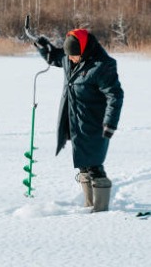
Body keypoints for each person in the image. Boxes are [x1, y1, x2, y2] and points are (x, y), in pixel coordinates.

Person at [34, 28, 124, 212]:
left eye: (75, 56)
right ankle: (88, 204)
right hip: (74, 121)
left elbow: (115, 95)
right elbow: (54, 58)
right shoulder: (68, 59)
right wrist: (43, 47)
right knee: (83, 164)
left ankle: (100, 210)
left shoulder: (102, 65)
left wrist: (110, 123)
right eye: (70, 56)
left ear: (84, 50)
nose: (71, 59)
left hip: (95, 124)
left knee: (95, 166)